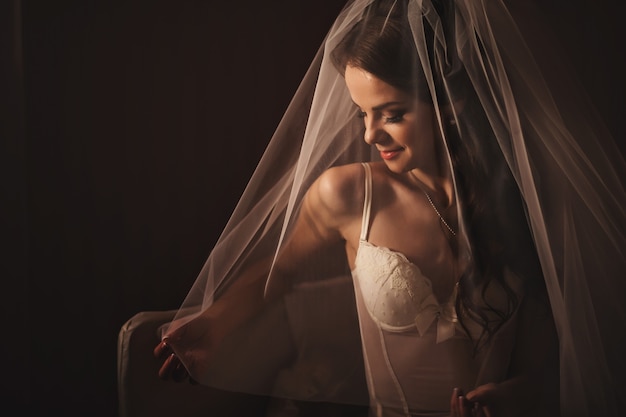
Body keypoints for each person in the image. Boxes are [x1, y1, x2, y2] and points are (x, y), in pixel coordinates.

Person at [153, 1, 626, 416]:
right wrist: (213, 324)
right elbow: (281, 274)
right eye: (362, 112)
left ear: (449, 101)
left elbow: (556, 360)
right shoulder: (348, 194)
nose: (368, 135)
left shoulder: (525, 203)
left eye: (392, 113)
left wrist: (510, 399)